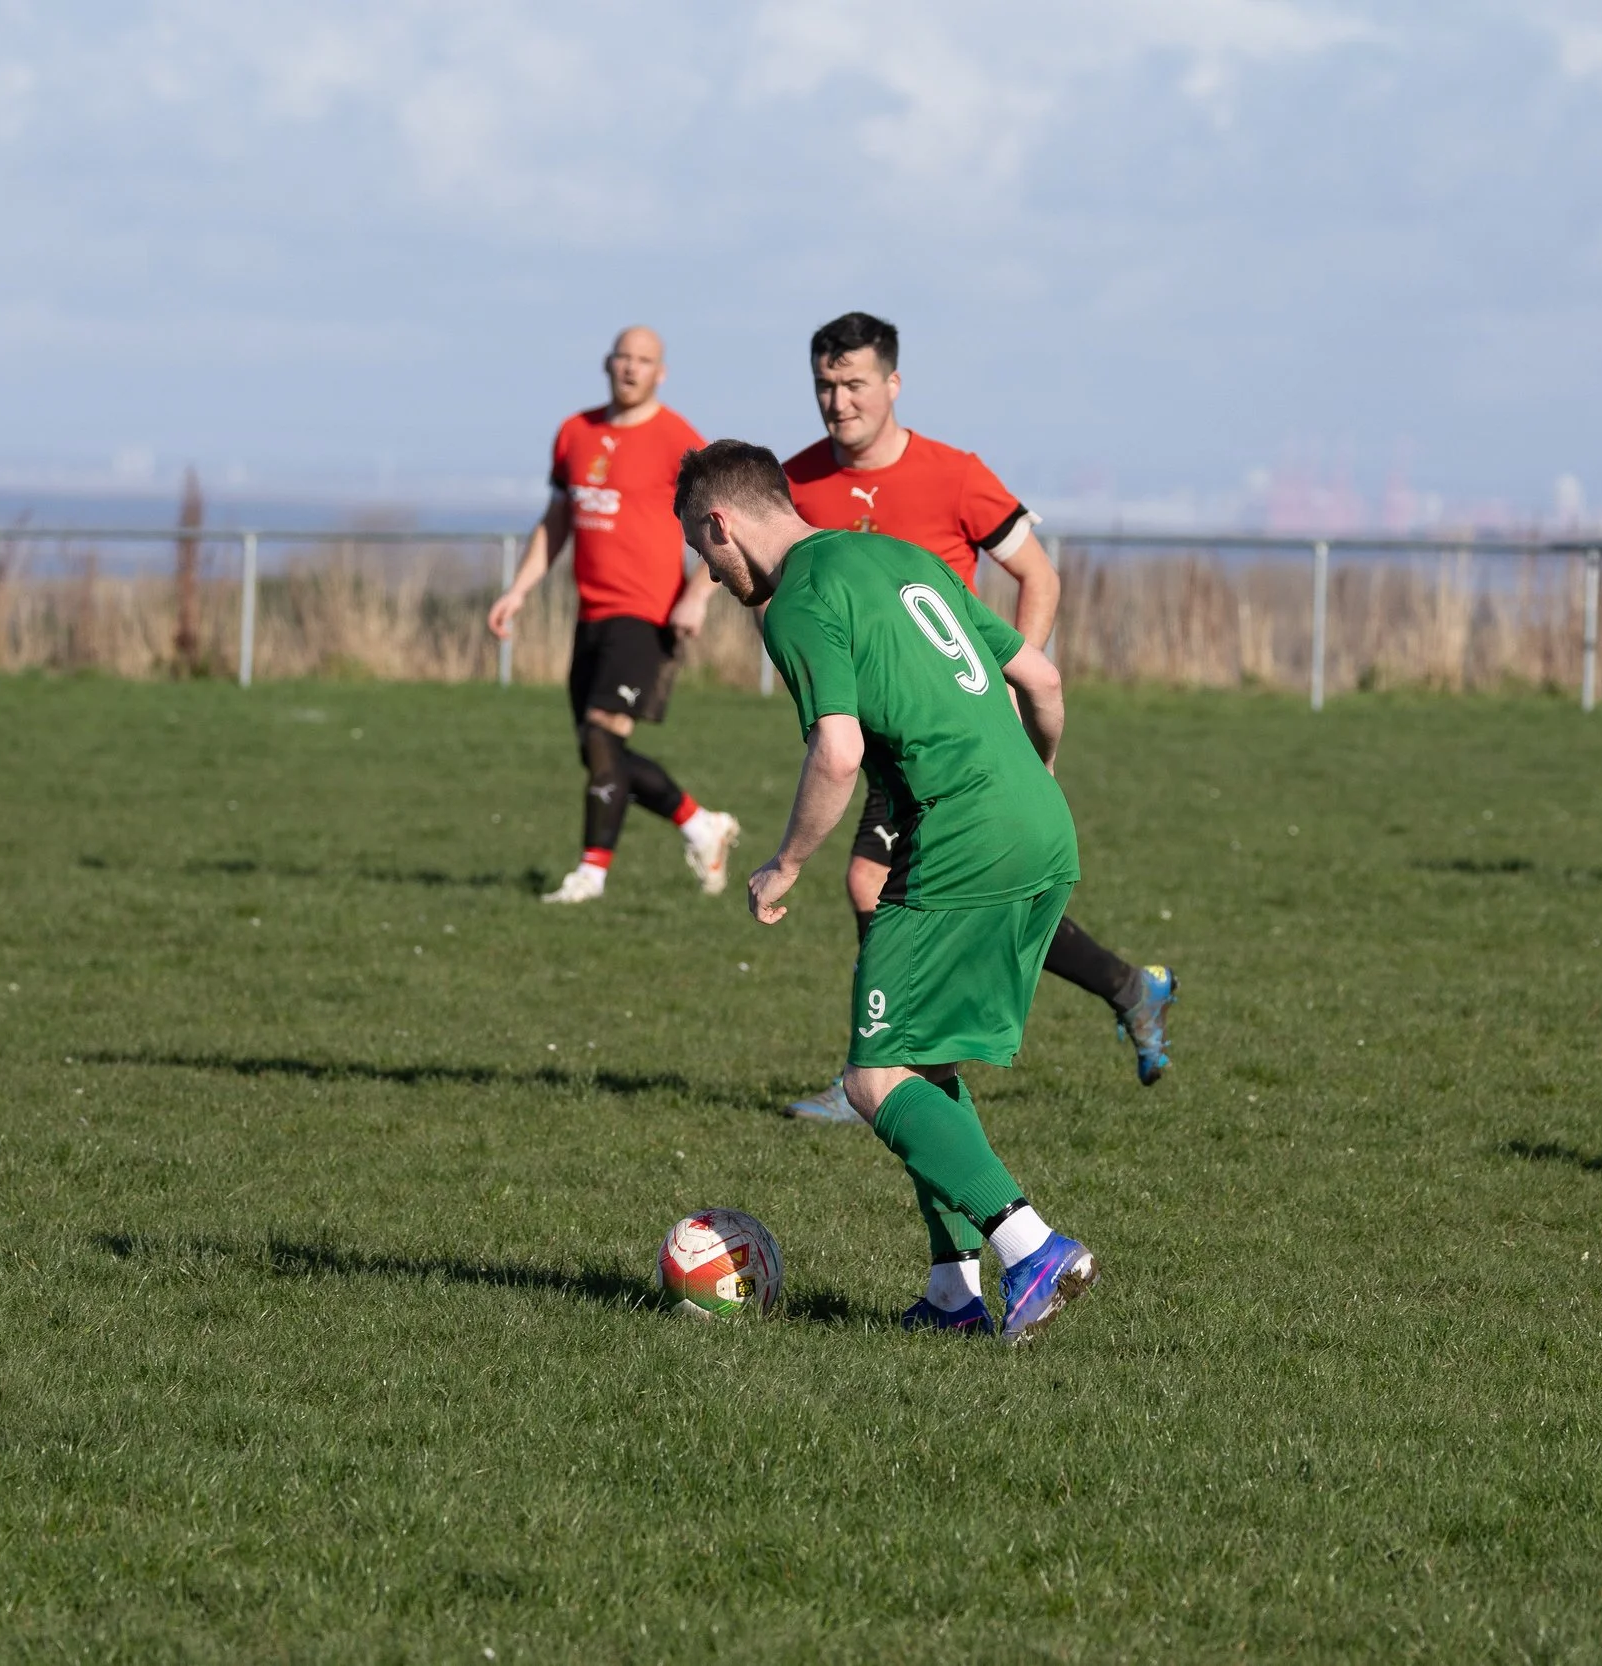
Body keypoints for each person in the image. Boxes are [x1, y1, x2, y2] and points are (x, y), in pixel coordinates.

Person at [678, 438, 1100, 1343]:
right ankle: (953, 1293)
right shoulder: (903, 557)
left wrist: (783, 863)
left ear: (722, 523)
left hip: (958, 837)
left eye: (700, 551)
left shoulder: (794, 600)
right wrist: (1031, 789)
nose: (709, 577)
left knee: (873, 1076)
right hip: (1038, 821)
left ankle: (1031, 1248)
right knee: (924, 1057)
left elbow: (837, 750)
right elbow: (1044, 679)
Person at [776, 312, 1175, 1121]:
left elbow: (1039, 576)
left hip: (943, 734)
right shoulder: (796, 483)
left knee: (870, 878)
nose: (838, 401)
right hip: (884, 733)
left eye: (854, 384)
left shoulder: (953, 475)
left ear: (892, 383)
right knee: (933, 886)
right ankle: (1129, 986)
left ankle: (889, 1071)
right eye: (825, 385)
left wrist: (1000, 685)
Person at [488, 326, 738, 903]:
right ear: (607, 362)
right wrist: (519, 589)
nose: (630, 368)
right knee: (598, 751)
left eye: (644, 360)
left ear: (661, 371)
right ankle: (702, 824)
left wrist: (699, 593)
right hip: (591, 615)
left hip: (647, 616)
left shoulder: (678, 439)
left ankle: (590, 875)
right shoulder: (575, 432)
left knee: (602, 739)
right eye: (623, 357)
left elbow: (728, 522)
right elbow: (557, 522)